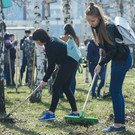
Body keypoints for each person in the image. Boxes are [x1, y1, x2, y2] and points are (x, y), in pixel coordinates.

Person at [85, 2, 132, 133]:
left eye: (93, 21)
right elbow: (107, 44)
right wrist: (101, 48)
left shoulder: (107, 27)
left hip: (122, 59)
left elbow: (113, 50)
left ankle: (119, 125)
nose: (91, 23)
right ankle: (120, 122)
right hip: (119, 58)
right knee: (116, 90)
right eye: (89, 21)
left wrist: (100, 64)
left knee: (114, 90)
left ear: (99, 17)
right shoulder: (99, 27)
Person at [32, 28, 79, 120]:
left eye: (37, 40)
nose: (37, 42)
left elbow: (50, 66)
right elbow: (60, 53)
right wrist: (58, 63)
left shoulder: (50, 46)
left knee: (56, 86)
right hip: (71, 62)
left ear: (41, 38)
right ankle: (75, 112)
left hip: (69, 63)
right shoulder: (51, 40)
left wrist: (44, 80)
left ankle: (51, 113)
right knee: (65, 88)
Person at [59, 23, 80, 96]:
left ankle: (60, 93)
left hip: (67, 60)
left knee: (62, 77)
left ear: (65, 30)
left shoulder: (66, 37)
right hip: (75, 59)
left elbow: (61, 44)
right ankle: (72, 94)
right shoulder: (76, 37)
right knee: (72, 78)